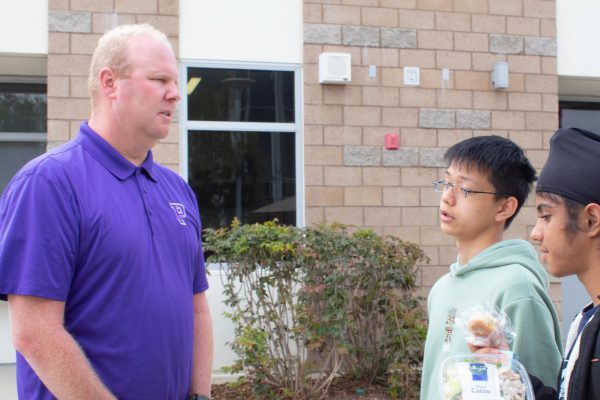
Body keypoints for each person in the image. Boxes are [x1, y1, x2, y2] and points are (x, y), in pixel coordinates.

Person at [0, 24, 213, 399]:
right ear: (110, 83)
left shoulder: (177, 191)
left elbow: (196, 309)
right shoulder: (49, 184)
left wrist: (200, 394)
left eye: (175, 82)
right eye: (159, 79)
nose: (175, 94)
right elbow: (34, 333)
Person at [419, 135, 563, 400]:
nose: (447, 198)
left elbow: (541, 388)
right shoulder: (442, 287)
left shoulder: (517, 287)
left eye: (465, 189)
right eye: (446, 183)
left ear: (505, 207)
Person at [525, 127, 600, 398]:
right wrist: (507, 373)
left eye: (546, 216)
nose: (535, 233)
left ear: (590, 220)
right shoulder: (587, 317)